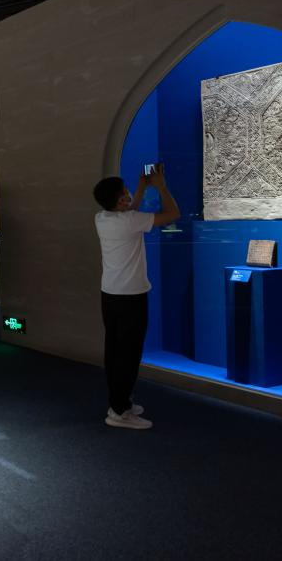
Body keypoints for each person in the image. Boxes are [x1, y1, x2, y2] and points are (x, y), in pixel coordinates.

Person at [93, 165, 180, 430]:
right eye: (125, 192)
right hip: (130, 297)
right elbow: (173, 214)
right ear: (120, 199)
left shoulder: (103, 218)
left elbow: (130, 213)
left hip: (111, 294)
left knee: (115, 351)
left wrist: (142, 187)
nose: (129, 194)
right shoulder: (130, 221)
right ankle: (119, 412)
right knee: (129, 355)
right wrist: (161, 186)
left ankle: (119, 403)